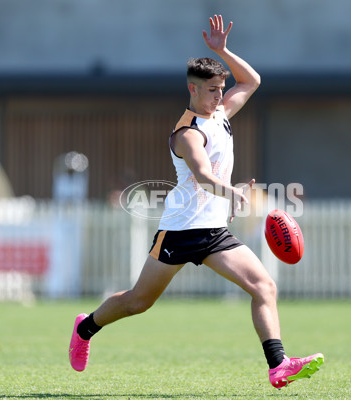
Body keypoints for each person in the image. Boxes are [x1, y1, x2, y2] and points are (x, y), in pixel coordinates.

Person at [68, 15, 324, 389]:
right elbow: (203, 175)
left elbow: (252, 81)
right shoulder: (187, 133)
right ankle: (85, 327)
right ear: (192, 90)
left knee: (264, 287)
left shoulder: (220, 114)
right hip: (181, 230)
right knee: (138, 302)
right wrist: (233, 191)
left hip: (214, 232)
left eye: (221, 89)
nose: (220, 96)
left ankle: (278, 364)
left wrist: (222, 51)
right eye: (212, 91)